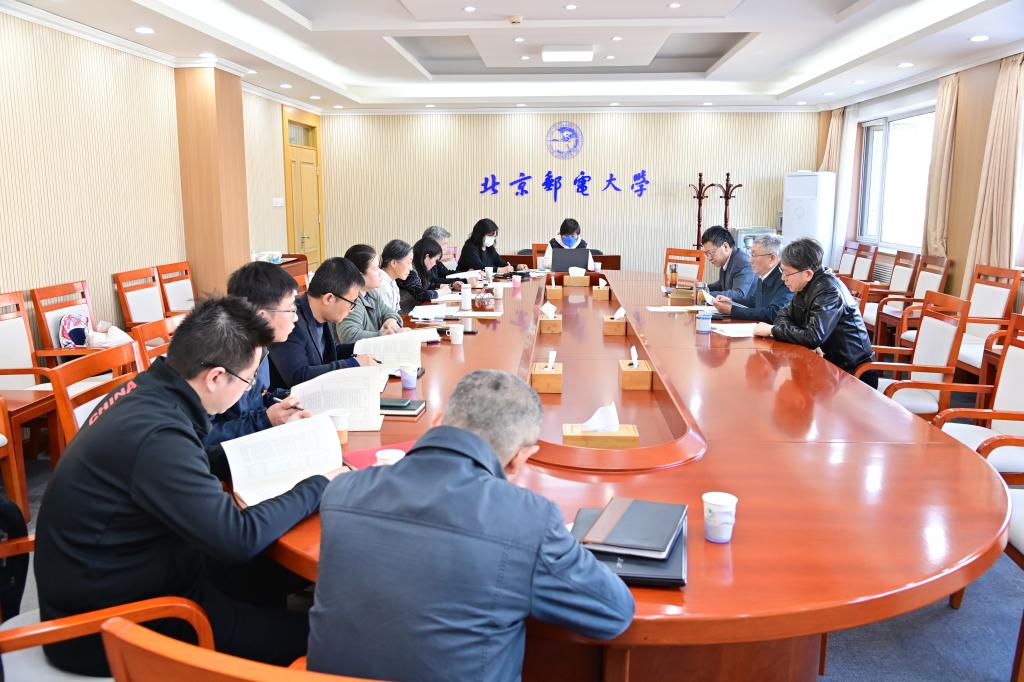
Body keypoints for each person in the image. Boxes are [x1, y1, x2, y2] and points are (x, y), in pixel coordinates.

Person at [34, 297, 345, 676]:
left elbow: (185, 464)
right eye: (248, 380)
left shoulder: (150, 391)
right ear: (215, 377)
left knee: (277, 574)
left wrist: (265, 445)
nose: (248, 390)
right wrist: (318, 485)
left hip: (141, 567)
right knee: (327, 637)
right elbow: (237, 537)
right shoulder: (157, 435)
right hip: (115, 622)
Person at [308, 370, 634, 681]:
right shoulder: (528, 520)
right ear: (520, 458)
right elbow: (614, 613)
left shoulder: (342, 492)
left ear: (437, 422)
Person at [205, 262, 310, 447]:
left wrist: (289, 398)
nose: (296, 318)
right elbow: (204, 439)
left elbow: (258, 397)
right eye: (291, 310)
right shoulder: (219, 359)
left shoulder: (258, 346)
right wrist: (265, 420)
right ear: (262, 316)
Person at [754, 238, 877, 387]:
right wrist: (806, 337)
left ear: (808, 273)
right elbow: (783, 315)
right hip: (829, 366)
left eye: (787, 273)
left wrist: (773, 330)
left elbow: (812, 337)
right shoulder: (805, 285)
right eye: (782, 271)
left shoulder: (829, 292)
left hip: (854, 374)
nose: (783, 278)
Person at [269, 257, 375, 389]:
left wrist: (366, 347)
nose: (352, 309)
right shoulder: (291, 321)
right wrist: (353, 364)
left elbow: (329, 353)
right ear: (329, 298)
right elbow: (298, 376)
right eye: (352, 303)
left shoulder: (322, 314)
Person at [711, 234, 792, 323]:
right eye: (751, 254)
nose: (750, 260)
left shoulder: (786, 278)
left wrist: (732, 310)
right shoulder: (763, 275)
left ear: (772, 258)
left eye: (754, 255)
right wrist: (731, 300)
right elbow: (754, 301)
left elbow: (773, 313)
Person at [337, 244, 407, 343]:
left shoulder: (371, 293)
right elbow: (349, 336)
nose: (380, 272)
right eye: (375, 269)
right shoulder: (351, 300)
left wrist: (390, 320)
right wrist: (383, 335)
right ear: (359, 276)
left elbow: (389, 312)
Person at [701, 225, 757, 300]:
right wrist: (702, 288)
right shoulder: (727, 259)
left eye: (711, 253)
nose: (709, 258)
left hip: (747, 306)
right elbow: (721, 286)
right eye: (707, 254)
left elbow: (739, 294)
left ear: (725, 246)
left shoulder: (743, 262)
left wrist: (705, 295)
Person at [398, 237, 452, 313]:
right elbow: (421, 294)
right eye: (435, 260)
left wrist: (440, 285)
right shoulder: (410, 270)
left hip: (414, 312)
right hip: (405, 315)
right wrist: (441, 291)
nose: (435, 264)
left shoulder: (419, 268)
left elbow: (425, 286)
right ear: (427, 257)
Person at [456, 218, 528, 274]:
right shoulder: (470, 247)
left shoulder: (489, 248)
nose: (492, 239)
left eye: (494, 236)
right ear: (480, 234)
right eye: (490, 235)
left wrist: (517, 267)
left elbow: (501, 263)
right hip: (465, 282)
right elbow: (479, 267)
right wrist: (500, 270)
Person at [377, 239, 412, 313]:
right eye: (408, 263)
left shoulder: (391, 280)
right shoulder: (381, 285)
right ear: (393, 263)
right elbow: (385, 317)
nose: (411, 268)